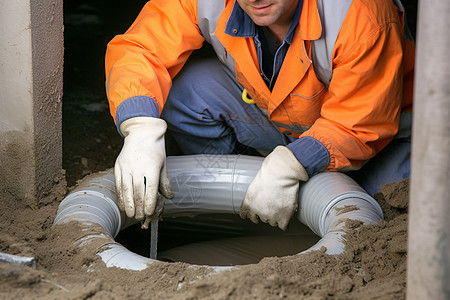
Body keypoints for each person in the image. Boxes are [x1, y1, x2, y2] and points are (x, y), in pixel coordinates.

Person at [105, 0, 415, 231]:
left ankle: (290, 187)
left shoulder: (358, 12)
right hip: (280, 114)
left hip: (385, 134)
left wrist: (293, 164)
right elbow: (141, 49)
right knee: (188, 95)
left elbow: (359, 121)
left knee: (390, 209)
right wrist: (140, 127)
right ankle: (239, 210)